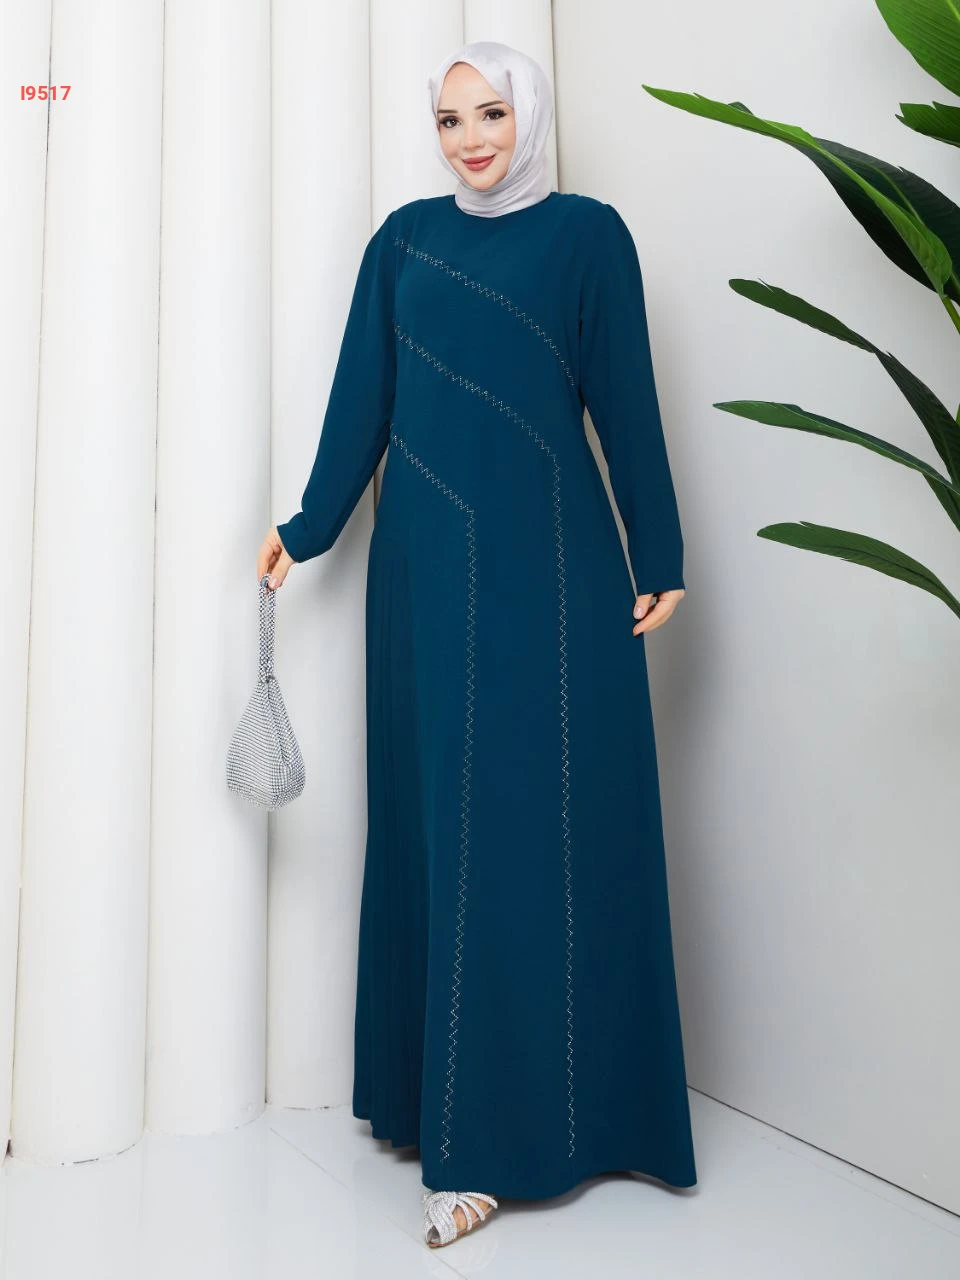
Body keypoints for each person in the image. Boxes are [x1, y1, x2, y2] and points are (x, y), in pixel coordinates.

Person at [257, 38, 697, 1250]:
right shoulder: (403, 243)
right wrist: (307, 525)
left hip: (554, 581)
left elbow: (627, 403)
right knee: (446, 835)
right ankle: (448, 1117)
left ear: (528, 113)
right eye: (451, 120)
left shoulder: (588, 237)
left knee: (544, 834)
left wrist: (658, 552)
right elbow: (364, 401)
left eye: (491, 113)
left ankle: (553, 1124)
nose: (471, 139)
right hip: (421, 578)